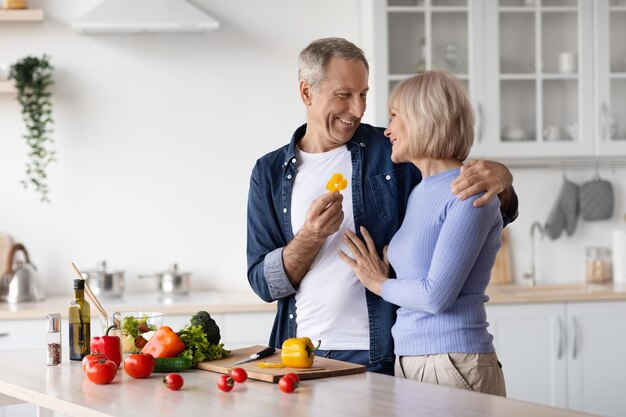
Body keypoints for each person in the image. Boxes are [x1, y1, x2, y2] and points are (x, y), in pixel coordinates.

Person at [246, 37, 518, 376]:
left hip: (385, 353)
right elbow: (263, 284)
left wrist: (503, 179)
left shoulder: (393, 154)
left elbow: (472, 206)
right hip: (301, 352)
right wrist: (311, 236)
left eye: (363, 94)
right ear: (306, 93)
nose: (358, 110)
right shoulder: (269, 173)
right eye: (344, 95)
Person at [338, 70, 507, 396]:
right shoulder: (420, 190)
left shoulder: (469, 190)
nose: (387, 130)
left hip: (454, 361)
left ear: (423, 118)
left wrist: (377, 282)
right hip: (413, 360)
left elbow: (435, 296)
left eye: (394, 116)